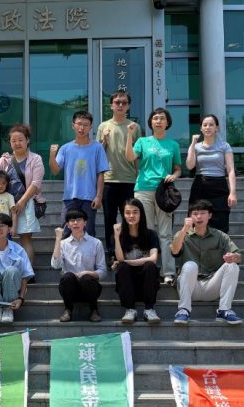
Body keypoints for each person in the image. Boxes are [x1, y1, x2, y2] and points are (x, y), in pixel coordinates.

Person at [125, 107, 182, 285]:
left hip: (164, 192)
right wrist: (129, 135)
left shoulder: (173, 144)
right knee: (146, 230)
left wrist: (174, 175)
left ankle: (168, 272)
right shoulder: (142, 141)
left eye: (162, 118)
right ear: (151, 122)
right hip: (143, 189)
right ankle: (147, 268)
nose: (158, 121)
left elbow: (178, 168)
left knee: (165, 233)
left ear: (167, 122)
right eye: (155, 118)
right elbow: (130, 157)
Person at [170, 199, 243, 326]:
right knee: (190, 265)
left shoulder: (220, 236)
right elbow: (174, 251)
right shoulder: (182, 234)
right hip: (190, 287)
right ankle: (183, 310)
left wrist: (234, 257)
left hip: (212, 285)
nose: (199, 217)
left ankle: (224, 310)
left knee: (232, 266)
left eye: (203, 213)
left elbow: (239, 256)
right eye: (195, 213)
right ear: (190, 217)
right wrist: (184, 229)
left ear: (209, 215)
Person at [0, 123, 45, 267]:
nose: (17, 143)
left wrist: (22, 202)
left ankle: (28, 272)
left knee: (25, 239)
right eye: (13, 140)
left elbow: (35, 183)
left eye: (20, 140)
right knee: (3, 238)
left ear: (27, 140)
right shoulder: (5, 160)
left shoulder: (36, 159)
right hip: (6, 205)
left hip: (27, 204)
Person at [49, 110, 109, 238]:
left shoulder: (97, 148)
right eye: (79, 124)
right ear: (73, 125)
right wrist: (52, 155)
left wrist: (98, 196)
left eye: (86, 125)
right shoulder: (65, 148)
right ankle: (63, 252)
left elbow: (100, 174)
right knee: (65, 232)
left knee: (89, 232)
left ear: (91, 127)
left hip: (89, 197)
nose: (82, 128)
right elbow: (55, 170)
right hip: (70, 197)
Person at [97, 90, 142, 257]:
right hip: (109, 180)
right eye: (117, 102)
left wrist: (138, 177)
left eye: (124, 102)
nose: (120, 105)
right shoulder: (103, 126)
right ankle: (111, 251)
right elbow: (98, 154)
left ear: (128, 106)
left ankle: (128, 249)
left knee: (129, 218)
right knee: (109, 218)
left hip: (129, 180)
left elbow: (138, 155)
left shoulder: (135, 127)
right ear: (111, 105)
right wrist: (104, 140)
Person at [51, 207, 106, 323]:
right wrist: (58, 239)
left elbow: (103, 271)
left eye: (79, 220)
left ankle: (94, 309)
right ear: (68, 225)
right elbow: (56, 265)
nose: (75, 223)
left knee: (86, 278)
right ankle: (68, 309)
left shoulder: (96, 243)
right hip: (70, 288)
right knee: (68, 276)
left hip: (90, 288)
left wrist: (88, 273)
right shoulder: (63, 244)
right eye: (72, 220)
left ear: (85, 222)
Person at [186, 114, 237, 234]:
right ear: (201, 128)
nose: (207, 127)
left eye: (211, 125)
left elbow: (230, 170)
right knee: (197, 220)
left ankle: (220, 245)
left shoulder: (224, 146)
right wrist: (193, 143)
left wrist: (233, 192)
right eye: (205, 125)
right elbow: (189, 165)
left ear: (216, 128)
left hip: (219, 186)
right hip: (200, 186)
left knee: (221, 221)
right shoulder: (196, 147)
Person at [112, 198, 161, 325]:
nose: (131, 216)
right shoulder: (120, 236)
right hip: (127, 284)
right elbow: (120, 259)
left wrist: (125, 261)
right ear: (123, 215)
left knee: (150, 265)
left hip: (147, 282)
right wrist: (116, 236)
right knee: (122, 267)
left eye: (135, 212)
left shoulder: (151, 234)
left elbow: (153, 259)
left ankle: (149, 309)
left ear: (141, 214)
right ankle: (130, 309)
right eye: (127, 212)